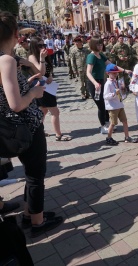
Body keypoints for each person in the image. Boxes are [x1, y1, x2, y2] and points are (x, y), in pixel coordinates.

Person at [0, 11, 63, 238]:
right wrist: (34, 93)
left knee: (31, 173)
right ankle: (37, 221)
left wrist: (25, 84)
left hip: (14, 127)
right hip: (26, 125)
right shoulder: (5, 59)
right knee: (36, 174)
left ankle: (30, 213)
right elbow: (16, 104)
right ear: (16, 34)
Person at [29, 37, 72, 141]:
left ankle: (39, 132)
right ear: (34, 46)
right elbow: (41, 72)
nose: (43, 47)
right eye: (40, 45)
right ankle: (58, 135)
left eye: (44, 45)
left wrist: (50, 77)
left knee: (43, 111)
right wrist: (42, 58)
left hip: (47, 86)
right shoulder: (32, 57)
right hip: (41, 87)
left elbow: (48, 71)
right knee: (55, 111)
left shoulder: (43, 55)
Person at [86, 36, 131, 134]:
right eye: (98, 44)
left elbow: (112, 66)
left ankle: (107, 124)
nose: (100, 46)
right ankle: (103, 126)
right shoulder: (92, 56)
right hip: (94, 83)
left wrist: (124, 70)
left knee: (105, 103)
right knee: (101, 105)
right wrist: (95, 83)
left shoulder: (101, 55)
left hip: (101, 81)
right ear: (93, 45)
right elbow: (88, 72)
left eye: (101, 44)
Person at [103, 63, 138, 145]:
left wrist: (123, 90)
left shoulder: (116, 81)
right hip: (113, 107)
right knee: (113, 123)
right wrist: (114, 93)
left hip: (119, 105)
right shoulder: (108, 84)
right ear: (108, 73)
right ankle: (108, 137)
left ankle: (127, 137)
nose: (116, 74)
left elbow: (121, 92)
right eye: (114, 73)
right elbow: (105, 96)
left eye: (116, 73)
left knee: (125, 121)